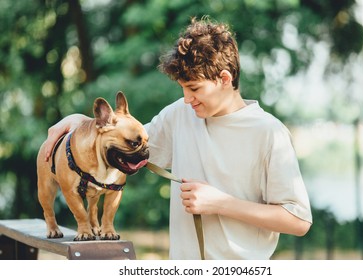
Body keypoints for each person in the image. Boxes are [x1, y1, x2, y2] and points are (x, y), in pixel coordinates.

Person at [44, 17, 312, 260]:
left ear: (225, 79)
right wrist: (79, 121)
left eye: (194, 88)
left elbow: (298, 221)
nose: (186, 98)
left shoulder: (269, 132)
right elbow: (120, 143)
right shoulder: (181, 114)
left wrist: (221, 203)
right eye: (183, 88)